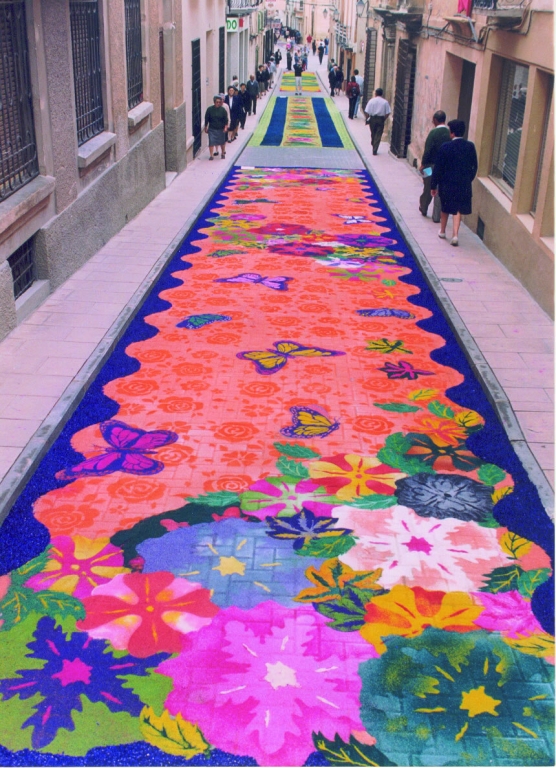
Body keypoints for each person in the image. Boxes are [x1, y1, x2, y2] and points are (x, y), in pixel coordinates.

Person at [431, 118, 478, 246]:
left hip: (447, 183)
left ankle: (442, 230)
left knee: (445, 207)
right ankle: (455, 234)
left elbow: (438, 168)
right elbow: (474, 166)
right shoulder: (470, 146)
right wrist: (469, 178)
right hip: (463, 183)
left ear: (452, 133)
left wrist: (433, 185)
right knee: (458, 209)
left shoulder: (446, 147)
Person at [419, 110, 451, 222]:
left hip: (430, 166)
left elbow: (428, 150)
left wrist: (423, 164)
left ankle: (423, 207)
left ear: (435, 120)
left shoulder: (433, 133)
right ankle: (436, 216)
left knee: (428, 186)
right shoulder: (449, 134)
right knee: (439, 190)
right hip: (444, 167)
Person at [364, 88, 391, 155]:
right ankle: (375, 145)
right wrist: (384, 119)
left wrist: (368, 119)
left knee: (373, 133)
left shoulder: (371, 101)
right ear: (382, 94)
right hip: (380, 119)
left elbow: (367, 111)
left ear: (375, 93)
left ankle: (374, 148)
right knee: (378, 134)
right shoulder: (385, 102)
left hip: (372, 119)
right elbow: (388, 113)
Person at [204, 95, 228, 160]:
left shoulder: (223, 110)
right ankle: (211, 155)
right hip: (212, 128)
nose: (218, 103)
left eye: (219, 102)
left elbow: (226, 119)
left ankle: (222, 153)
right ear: (214, 102)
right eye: (216, 102)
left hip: (221, 128)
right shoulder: (209, 109)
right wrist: (205, 126)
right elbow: (206, 118)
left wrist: (225, 127)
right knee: (211, 142)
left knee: (222, 142)